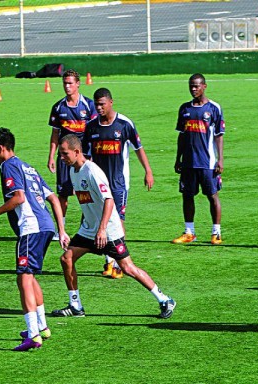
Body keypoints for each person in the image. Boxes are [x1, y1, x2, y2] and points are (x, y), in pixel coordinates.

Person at [52, 134, 175, 319]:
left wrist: (102, 229)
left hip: (108, 231)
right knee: (66, 259)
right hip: (89, 229)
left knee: (127, 268)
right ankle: (75, 305)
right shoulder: (73, 171)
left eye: (64, 153)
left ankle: (164, 299)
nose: (61, 158)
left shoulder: (92, 171)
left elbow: (109, 200)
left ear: (77, 152)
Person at [0, 128, 70, 352]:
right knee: (31, 277)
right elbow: (54, 199)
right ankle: (42, 327)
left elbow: (19, 198)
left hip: (31, 228)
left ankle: (33, 335)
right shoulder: (29, 167)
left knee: (23, 279)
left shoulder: (8, 166)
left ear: (1, 148)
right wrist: (61, 230)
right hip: (46, 227)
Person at [82, 88, 154, 279]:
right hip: (98, 185)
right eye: (96, 104)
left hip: (118, 183)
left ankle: (120, 263)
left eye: (102, 104)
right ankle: (109, 262)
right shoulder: (90, 127)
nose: (99, 108)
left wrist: (148, 171)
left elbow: (139, 148)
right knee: (102, 220)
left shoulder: (124, 124)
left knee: (118, 221)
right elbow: (85, 158)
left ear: (111, 102)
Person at [172, 73, 224, 245]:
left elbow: (218, 136)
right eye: (191, 86)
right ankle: (189, 232)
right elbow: (181, 136)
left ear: (204, 86)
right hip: (188, 162)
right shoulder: (184, 109)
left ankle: (216, 232)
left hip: (207, 162)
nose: (193, 89)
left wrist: (220, 159)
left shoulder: (214, 108)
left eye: (196, 86)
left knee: (212, 195)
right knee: (187, 196)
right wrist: (178, 158)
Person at [47, 69, 97, 237]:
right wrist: (51, 156)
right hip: (64, 157)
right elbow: (55, 134)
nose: (67, 87)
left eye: (70, 83)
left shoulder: (89, 106)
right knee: (63, 193)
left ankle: (88, 225)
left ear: (77, 84)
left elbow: (94, 132)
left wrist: (92, 155)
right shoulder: (58, 107)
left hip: (85, 157)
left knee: (86, 192)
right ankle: (60, 228)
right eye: (65, 83)